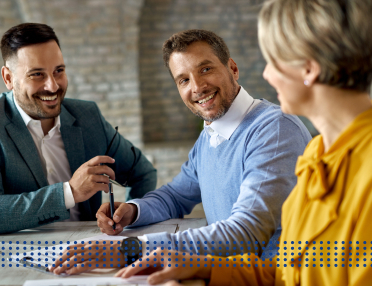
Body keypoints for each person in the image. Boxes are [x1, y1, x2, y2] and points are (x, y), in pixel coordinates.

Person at [116, 0, 372, 285]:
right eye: (183, 80)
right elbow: (291, 270)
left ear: (309, 68)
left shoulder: (282, 132)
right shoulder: (317, 153)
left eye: (273, 60)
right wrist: (205, 269)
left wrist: (133, 249)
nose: (266, 74)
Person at [50, 29, 312, 275]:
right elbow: (176, 196)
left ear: (232, 68)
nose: (197, 87)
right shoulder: (210, 135)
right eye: (184, 80)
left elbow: (246, 233)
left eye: (206, 69)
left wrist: (131, 250)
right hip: (230, 274)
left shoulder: (274, 129)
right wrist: (132, 210)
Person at [0, 23, 157, 236]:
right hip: (20, 258)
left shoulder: (88, 116)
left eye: (58, 71)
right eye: (37, 75)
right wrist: (69, 193)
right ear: (8, 78)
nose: (52, 86)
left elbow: (142, 173)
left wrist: (131, 214)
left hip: (90, 252)